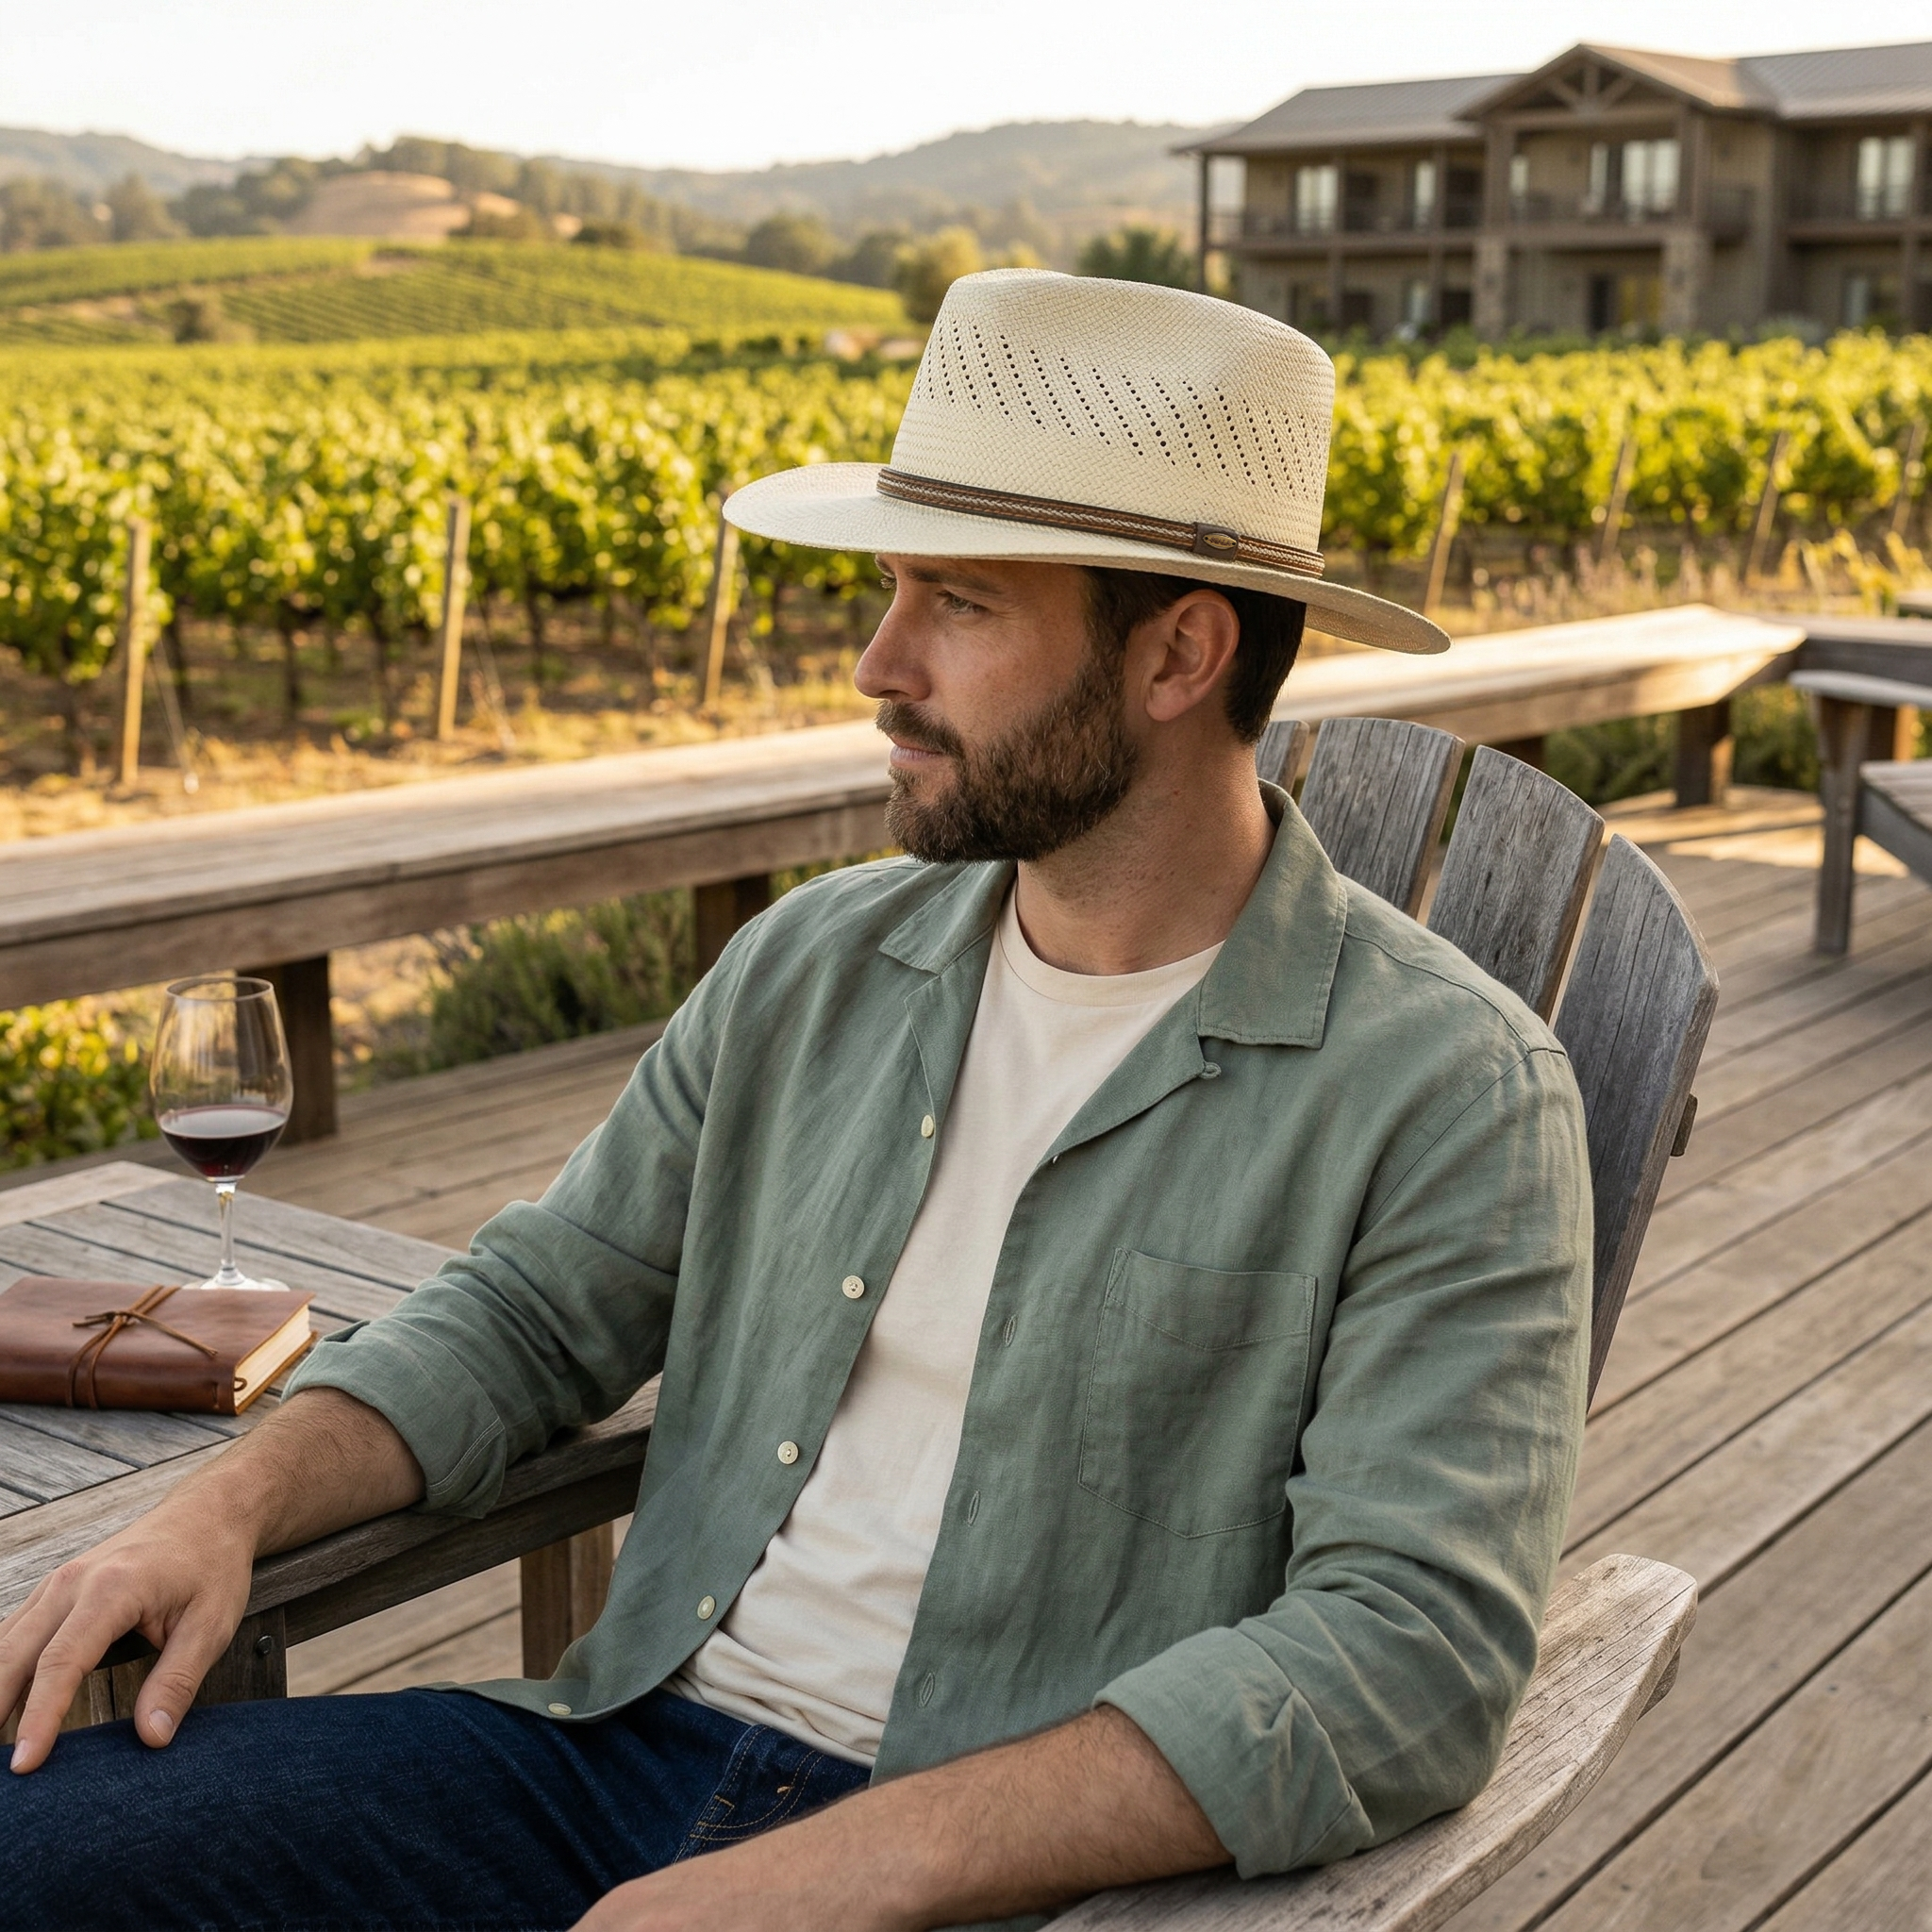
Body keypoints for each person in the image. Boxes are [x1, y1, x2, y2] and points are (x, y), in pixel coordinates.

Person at [0, 271, 1591, 1932]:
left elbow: (1410, 1650)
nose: (875, 663)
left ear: (1179, 652)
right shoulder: (812, 966)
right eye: (891, 591)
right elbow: (543, 1310)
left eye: (959, 605)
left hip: (1018, 1865)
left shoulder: (1448, 1097)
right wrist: (223, 1509)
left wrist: (841, 1875)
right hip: (616, 1755)